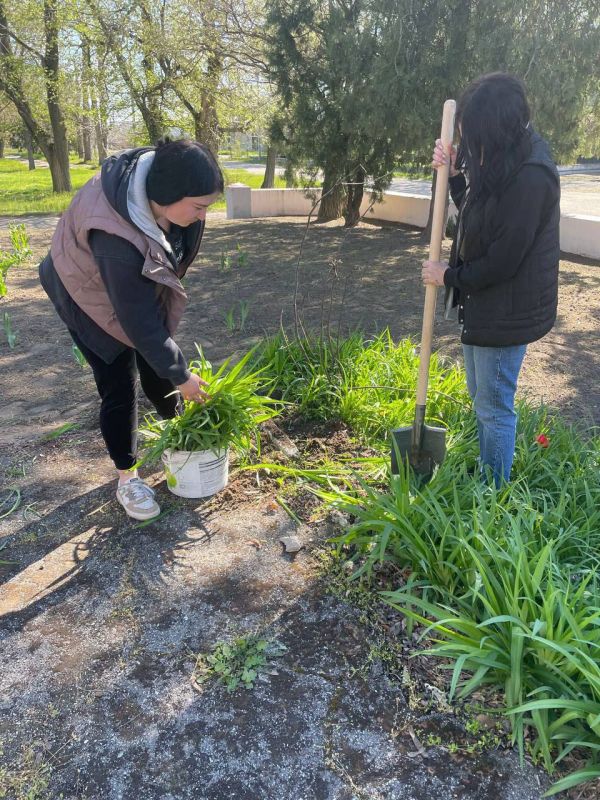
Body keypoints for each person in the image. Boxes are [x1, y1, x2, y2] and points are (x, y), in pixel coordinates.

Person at [40, 138, 224, 520]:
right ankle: (128, 477)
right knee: (118, 382)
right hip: (83, 292)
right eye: (200, 207)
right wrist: (183, 376)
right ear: (168, 195)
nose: (204, 216)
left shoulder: (164, 194)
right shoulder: (113, 237)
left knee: (158, 359)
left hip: (128, 288)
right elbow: (137, 320)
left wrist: (173, 370)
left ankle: (180, 437)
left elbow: (147, 315)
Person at [421, 73, 560, 486]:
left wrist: (448, 274)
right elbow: (479, 217)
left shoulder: (531, 176)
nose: (470, 146)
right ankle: (488, 469)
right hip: (485, 302)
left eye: (474, 137)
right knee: (481, 397)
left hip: (506, 308)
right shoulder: (501, 157)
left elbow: (502, 261)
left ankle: (492, 493)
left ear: (495, 130)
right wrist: (455, 174)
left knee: (495, 405)